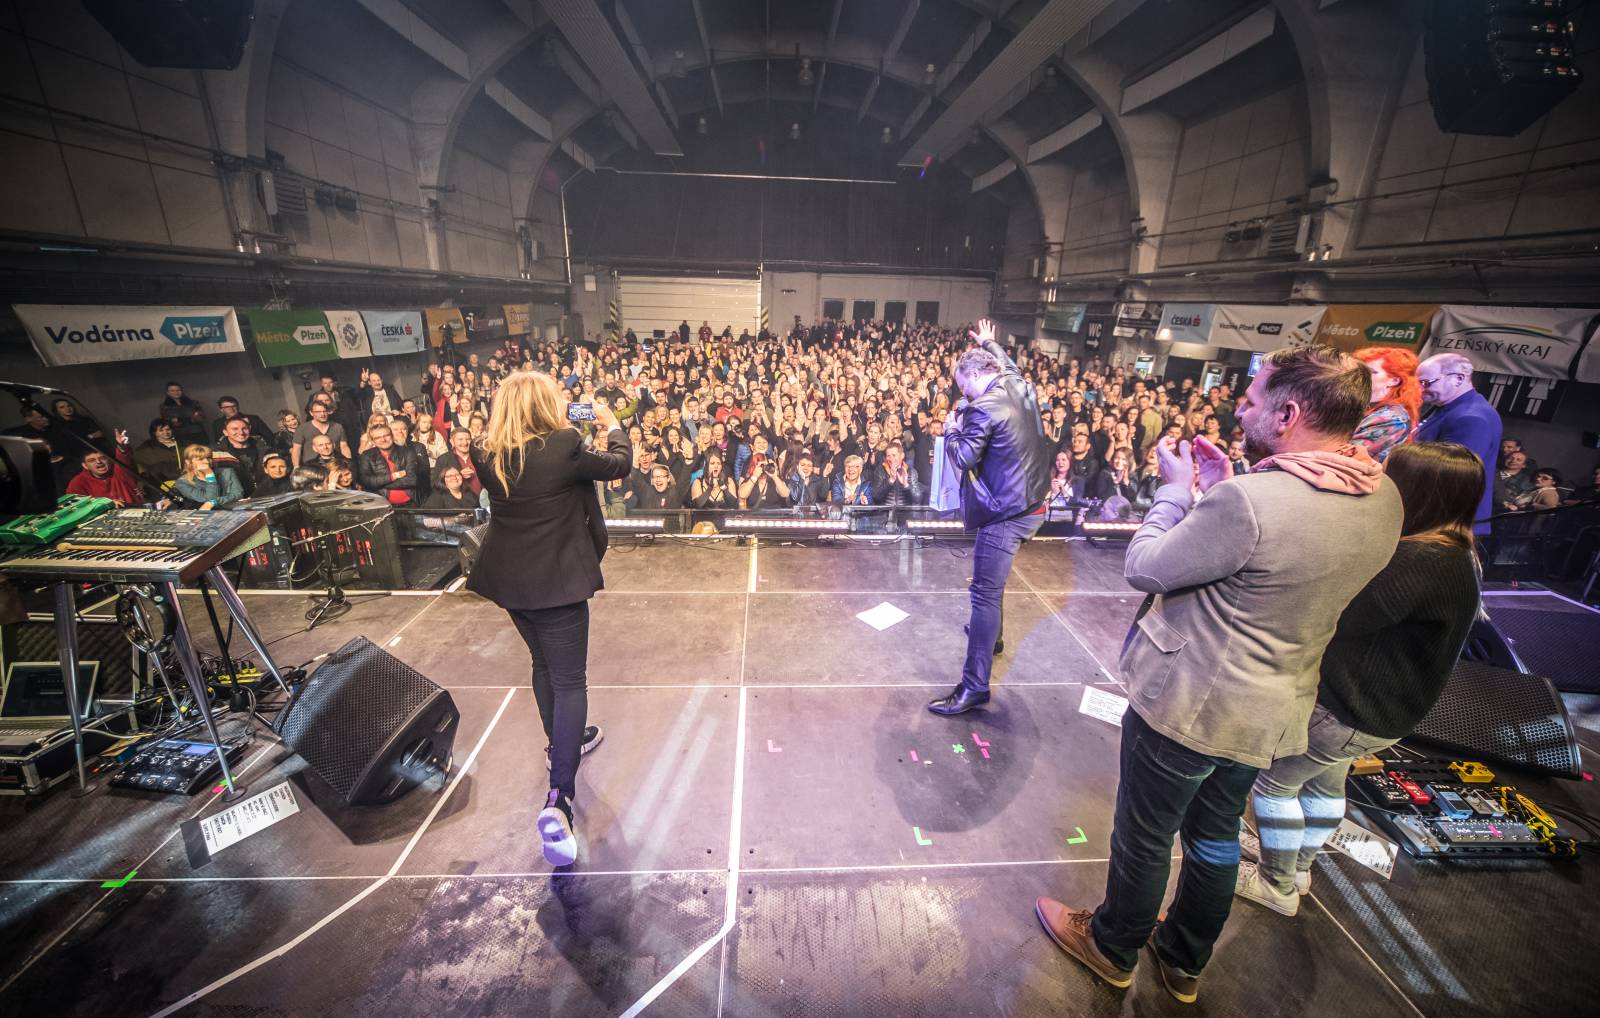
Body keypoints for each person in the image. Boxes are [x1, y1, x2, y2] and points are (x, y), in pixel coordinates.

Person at [1035, 345, 1402, 1004]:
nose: (1241, 405)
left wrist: (1178, 494)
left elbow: (1147, 566)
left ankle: (1113, 946)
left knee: (1145, 835)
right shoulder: (1385, 497)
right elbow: (1276, 561)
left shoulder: (1251, 502)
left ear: (1289, 413)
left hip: (1189, 704)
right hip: (1274, 706)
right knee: (1214, 834)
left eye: (1254, 399)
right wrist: (1231, 484)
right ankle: (1183, 961)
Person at [1236, 442, 1484, 915]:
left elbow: (1342, 617)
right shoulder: (1458, 555)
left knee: (1274, 787)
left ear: (1413, 491)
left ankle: (1277, 885)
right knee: (1326, 787)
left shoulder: (1418, 562)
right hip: (1381, 714)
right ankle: (1298, 866)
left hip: (1350, 708)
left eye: (1386, 474)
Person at [466, 371, 630, 867]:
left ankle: (564, 740)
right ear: (545, 405)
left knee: (542, 665)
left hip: (511, 583)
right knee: (569, 679)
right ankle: (558, 799)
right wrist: (610, 421)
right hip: (557, 583)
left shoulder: (484, 451)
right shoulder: (563, 444)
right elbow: (619, 466)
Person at [929, 318, 1051, 717]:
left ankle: (974, 686)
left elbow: (963, 458)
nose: (962, 392)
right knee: (992, 586)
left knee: (982, 594)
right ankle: (995, 640)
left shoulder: (983, 407)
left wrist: (951, 430)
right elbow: (1008, 363)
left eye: (963, 385)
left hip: (1005, 513)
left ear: (979, 376)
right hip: (1033, 503)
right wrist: (990, 342)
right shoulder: (1018, 383)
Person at [1416, 353, 1501, 535]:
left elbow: (1451, 479)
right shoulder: (1448, 407)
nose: (1420, 389)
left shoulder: (1471, 418)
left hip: (1447, 524)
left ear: (1458, 379)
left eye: (1426, 382)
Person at [1351, 347, 1420, 462]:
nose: (1358, 376)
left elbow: (1345, 457)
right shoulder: (1359, 405)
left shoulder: (1393, 419)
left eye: (1370, 372)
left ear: (1394, 381)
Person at [358, 423, 420, 506]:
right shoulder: (367, 456)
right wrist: (393, 476)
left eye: (386, 435)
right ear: (373, 441)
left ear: (392, 436)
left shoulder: (408, 452)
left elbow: (412, 480)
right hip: (382, 506)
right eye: (377, 438)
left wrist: (378, 484)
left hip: (410, 504)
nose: (383, 440)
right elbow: (366, 481)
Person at [173, 444, 244, 509]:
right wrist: (210, 475)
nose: (207, 461)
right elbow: (208, 499)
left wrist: (215, 502)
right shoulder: (183, 482)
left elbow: (238, 494)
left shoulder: (227, 472)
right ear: (188, 462)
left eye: (209, 458)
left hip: (230, 511)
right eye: (201, 459)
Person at [64, 449, 142, 506]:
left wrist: (122, 446)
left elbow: (124, 458)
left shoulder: (119, 471)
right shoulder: (78, 482)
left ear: (110, 460)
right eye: (92, 460)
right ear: (85, 466)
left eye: (102, 458)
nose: (98, 462)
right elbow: (75, 506)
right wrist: (103, 503)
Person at [293, 398, 352, 469]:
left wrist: (349, 464)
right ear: (311, 413)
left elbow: (344, 447)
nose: (322, 414)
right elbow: (296, 449)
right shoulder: (302, 428)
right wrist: (296, 467)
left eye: (324, 411)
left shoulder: (337, 427)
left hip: (335, 465)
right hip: (311, 467)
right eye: (318, 412)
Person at [133, 419, 184, 488]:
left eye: (168, 429)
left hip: (184, 480)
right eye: (161, 430)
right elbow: (140, 464)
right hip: (162, 485)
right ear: (154, 432)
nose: (165, 432)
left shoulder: (182, 443)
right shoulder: (147, 448)